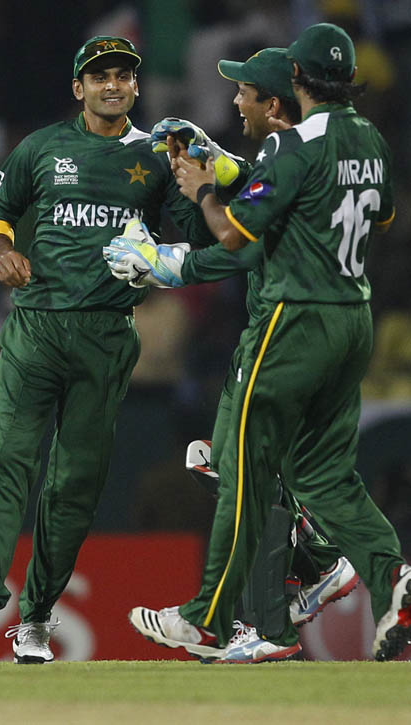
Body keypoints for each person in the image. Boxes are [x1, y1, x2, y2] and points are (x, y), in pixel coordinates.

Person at [122, 23, 410, 662]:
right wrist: (236, 171)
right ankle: (390, 578)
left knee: (242, 470)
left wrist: (201, 191)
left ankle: (207, 618)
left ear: (296, 84)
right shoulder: (368, 139)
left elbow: (232, 238)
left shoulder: (293, 146)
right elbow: (379, 214)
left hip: (294, 323)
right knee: (318, 474)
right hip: (352, 319)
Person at [0, 36, 215, 664]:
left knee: (74, 483)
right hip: (34, 325)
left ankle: (34, 618)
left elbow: (199, 235)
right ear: (78, 88)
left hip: (107, 335)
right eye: (99, 76)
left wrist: (199, 175)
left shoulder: (153, 154)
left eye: (123, 76)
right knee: (7, 454)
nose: (112, 85)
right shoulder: (43, 146)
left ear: (136, 88)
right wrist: (3, 251)